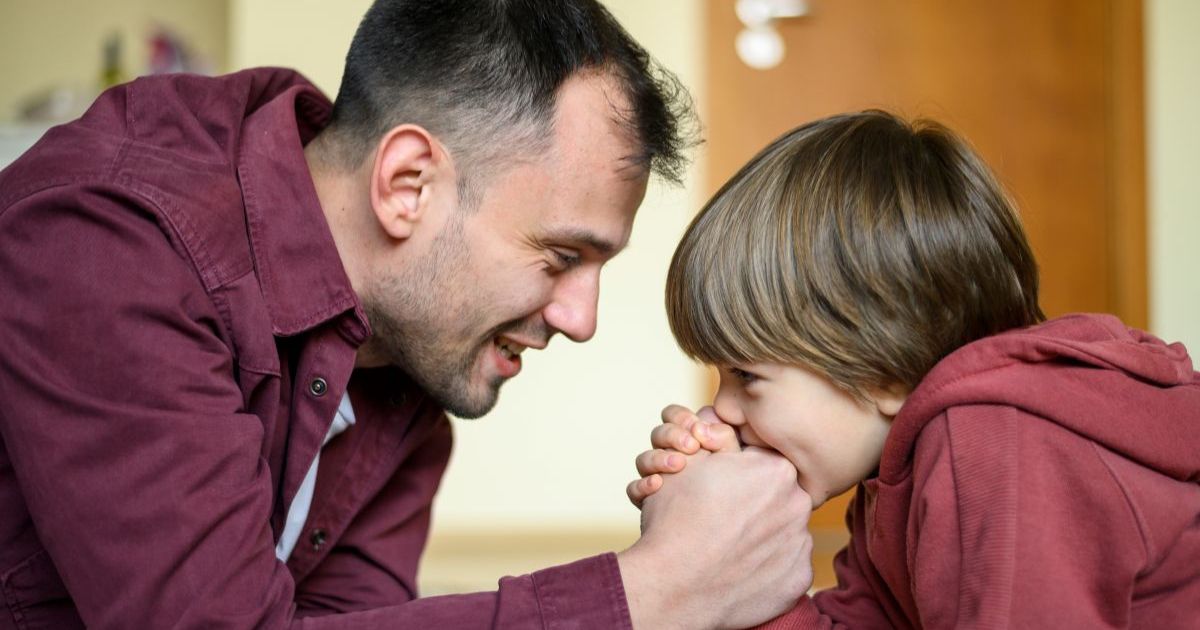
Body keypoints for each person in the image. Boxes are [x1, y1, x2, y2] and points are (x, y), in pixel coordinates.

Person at [0, 1, 814, 627]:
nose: (581, 319)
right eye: (563, 255)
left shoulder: (403, 365)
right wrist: (655, 594)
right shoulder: (109, 240)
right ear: (407, 185)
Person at [630, 111, 1200, 628]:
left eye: (746, 376)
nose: (722, 410)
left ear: (884, 374)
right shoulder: (897, 471)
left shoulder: (990, 445)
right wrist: (736, 571)